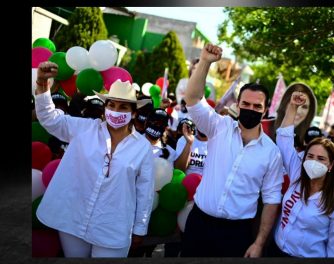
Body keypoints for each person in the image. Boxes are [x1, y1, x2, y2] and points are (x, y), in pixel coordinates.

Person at [34, 61, 155, 258]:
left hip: (112, 228)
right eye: (111, 104)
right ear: (105, 107)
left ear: (133, 113)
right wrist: (41, 83)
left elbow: (145, 192)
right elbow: (49, 118)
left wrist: (139, 230)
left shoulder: (142, 148)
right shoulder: (84, 129)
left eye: (123, 107)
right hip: (74, 219)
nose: (115, 111)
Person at [180, 44, 284, 257]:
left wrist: (259, 243)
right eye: (246, 104)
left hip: (236, 234)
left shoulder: (271, 153)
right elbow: (192, 99)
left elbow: (272, 200)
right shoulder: (219, 127)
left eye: (257, 107)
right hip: (199, 224)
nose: (251, 109)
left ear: (265, 111)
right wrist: (205, 61)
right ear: (238, 104)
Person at [271, 91, 334, 257]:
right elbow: (283, 139)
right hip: (275, 250)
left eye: (321, 158)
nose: (314, 161)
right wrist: (293, 106)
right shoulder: (297, 174)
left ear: (331, 165)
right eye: (310, 156)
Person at [274, 82, 317, 148]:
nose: (298, 111)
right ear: (284, 104)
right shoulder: (264, 128)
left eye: (304, 107)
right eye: (294, 104)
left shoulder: (313, 139)